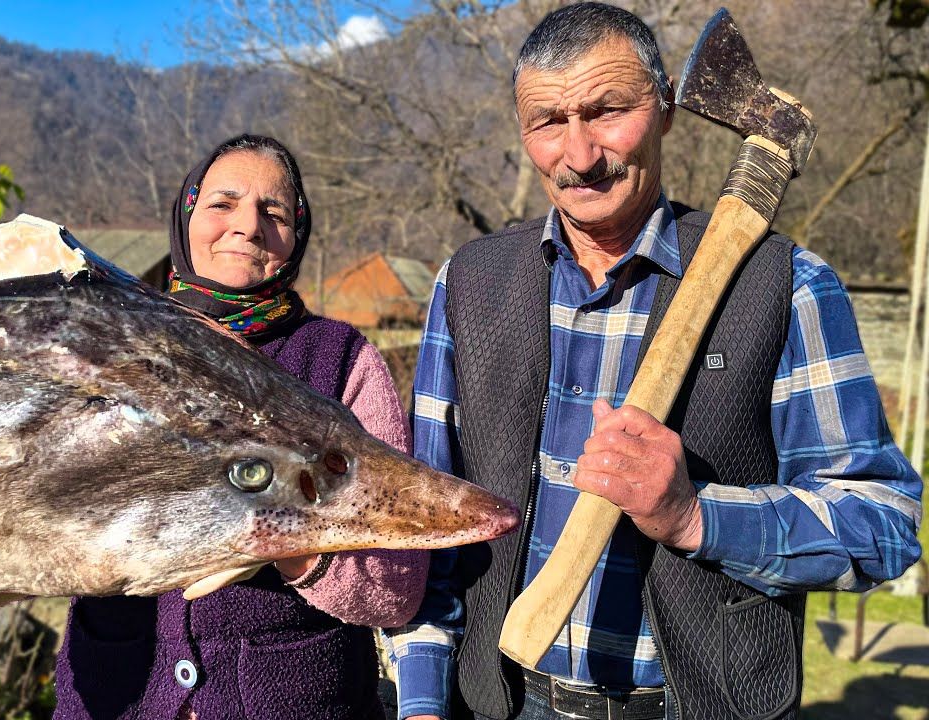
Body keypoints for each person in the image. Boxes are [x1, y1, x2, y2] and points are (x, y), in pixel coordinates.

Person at [388, 4, 924, 720]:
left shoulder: (786, 285)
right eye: (549, 121)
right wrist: (422, 704)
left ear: (667, 107)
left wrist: (696, 516)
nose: (579, 156)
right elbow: (430, 535)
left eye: (608, 110)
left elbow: (883, 523)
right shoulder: (470, 284)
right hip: (506, 702)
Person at [53, 133, 429, 720]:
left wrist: (292, 546)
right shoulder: (108, 340)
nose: (248, 226)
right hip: (115, 688)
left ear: (297, 234)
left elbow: (395, 584)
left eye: (273, 212)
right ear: (186, 217)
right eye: (223, 204)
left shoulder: (339, 360)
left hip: (293, 699)